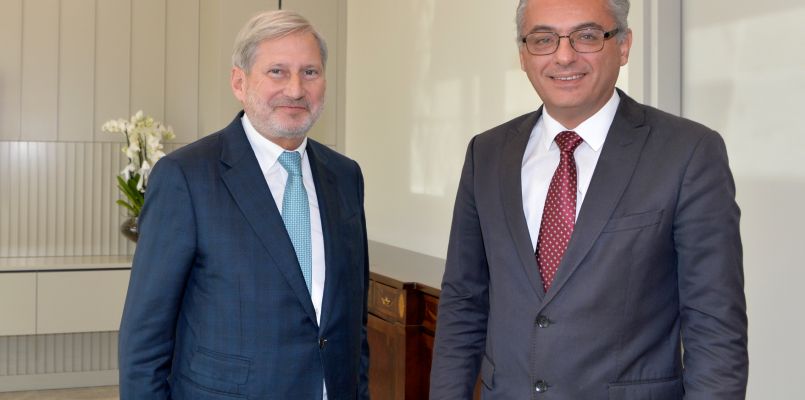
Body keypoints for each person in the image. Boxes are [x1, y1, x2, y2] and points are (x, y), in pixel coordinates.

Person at [430, 0, 748, 398]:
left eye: (586, 36)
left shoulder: (688, 152)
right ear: (524, 55)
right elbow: (464, 301)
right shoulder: (487, 154)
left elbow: (715, 326)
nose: (564, 56)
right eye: (543, 39)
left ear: (623, 45)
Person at [118, 10, 369, 399]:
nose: (296, 89)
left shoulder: (346, 176)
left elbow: (354, 322)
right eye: (277, 72)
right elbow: (144, 338)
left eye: (310, 72)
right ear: (239, 82)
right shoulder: (186, 176)